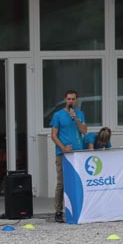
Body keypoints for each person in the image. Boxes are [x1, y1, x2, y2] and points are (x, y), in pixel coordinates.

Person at [50, 90, 87, 223]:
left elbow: (84, 131)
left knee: (78, 180)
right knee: (62, 183)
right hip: (63, 153)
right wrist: (63, 147)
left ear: (76, 100)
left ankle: (78, 208)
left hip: (78, 153)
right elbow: (53, 135)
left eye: (73, 99)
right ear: (65, 100)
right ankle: (58, 211)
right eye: (69, 99)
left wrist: (76, 118)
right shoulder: (58, 115)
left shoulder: (80, 114)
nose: (71, 101)